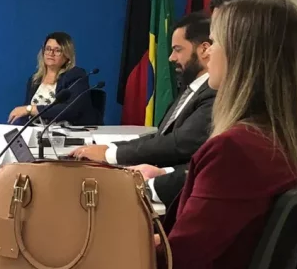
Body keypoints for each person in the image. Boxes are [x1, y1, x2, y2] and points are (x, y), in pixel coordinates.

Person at [27, 0, 297, 269]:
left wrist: (80, 254)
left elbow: (176, 265)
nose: (208, 53)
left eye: (215, 42)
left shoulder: (237, 150)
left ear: (243, 57)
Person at [131, 0, 278, 206]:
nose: (207, 52)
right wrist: (165, 174)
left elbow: (216, 176)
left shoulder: (241, 140)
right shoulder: (279, 126)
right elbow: (214, 172)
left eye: (216, 40)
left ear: (244, 46)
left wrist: (142, 188)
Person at [70, 13, 214, 171]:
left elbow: (180, 143)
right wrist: (109, 148)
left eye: (177, 49)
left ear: (204, 49)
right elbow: (160, 137)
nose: (171, 58)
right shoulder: (190, 90)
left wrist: (110, 154)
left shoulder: (213, 93)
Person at [8, 32, 97, 126]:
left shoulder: (76, 75)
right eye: (48, 49)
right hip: (37, 130)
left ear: (67, 55)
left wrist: (30, 109)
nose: (51, 53)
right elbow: (26, 115)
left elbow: (70, 109)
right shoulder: (35, 80)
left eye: (57, 50)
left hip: (67, 131)